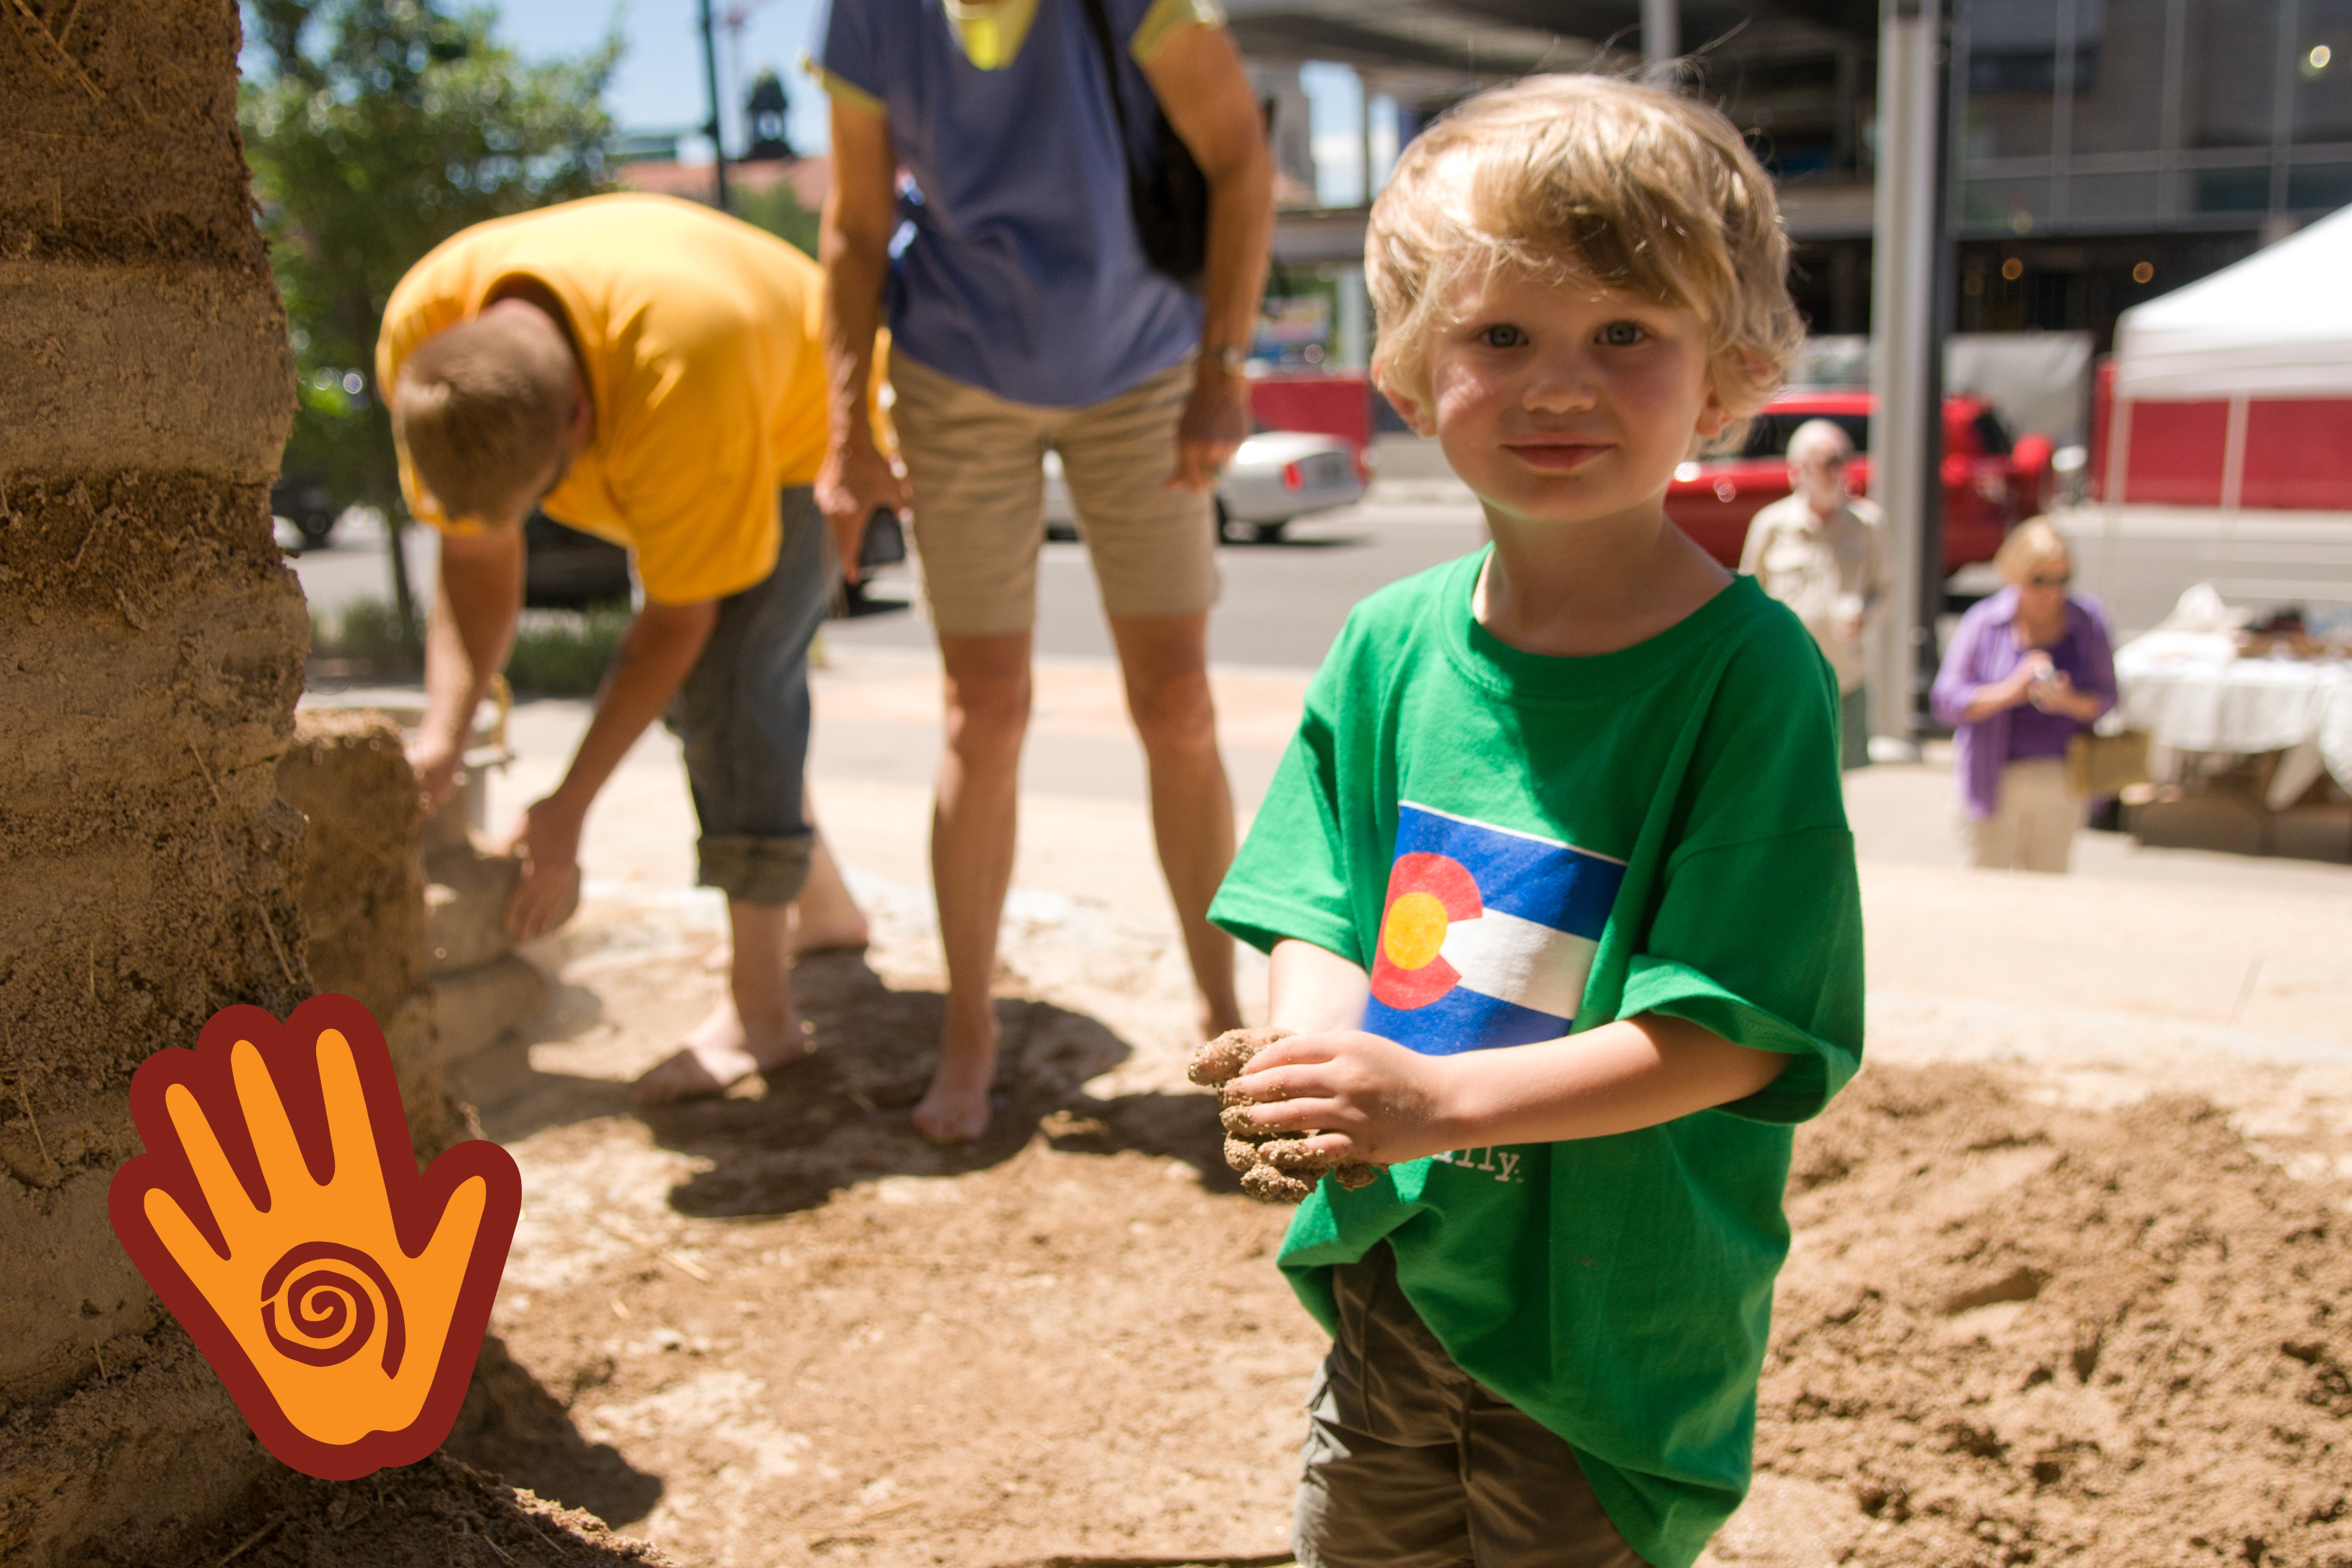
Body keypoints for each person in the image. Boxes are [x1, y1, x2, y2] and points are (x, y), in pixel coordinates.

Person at [1204, 76, 1865, 1568]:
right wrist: (1315, 1063)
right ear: (1409, 369)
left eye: (1624, 333)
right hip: (1401, 1264)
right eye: (1500, 335)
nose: (1559, 384)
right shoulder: (1386, 643)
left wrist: (1430, 1104)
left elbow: (1740, 1029)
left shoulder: (1747, 678)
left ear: (1727, 376)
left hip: (1606, 1316)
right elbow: (1314, 899)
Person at [810, 0, 1275, 1140]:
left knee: (1176, 704)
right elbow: (856, 224)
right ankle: (968, 1035)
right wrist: (845, 430)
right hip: (953, 369)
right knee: (984, 711)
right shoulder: (870, 17)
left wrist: (1223, 363)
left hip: (1144, 367)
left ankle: (1220, 1014)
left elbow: (1238, 163)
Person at [379, 192, 870, 1105]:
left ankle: (763, 1013)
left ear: (577, 421)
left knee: (731, 684)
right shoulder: (429, 337)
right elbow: (473, 555)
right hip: (683, 372)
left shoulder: (683, 372)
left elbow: (677, 630)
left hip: (796, 420)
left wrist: (567, 806)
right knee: (717, 710)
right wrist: (446, 731)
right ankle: (826, 910)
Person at [1929, 517, 2117, 874]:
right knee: (1985, 888)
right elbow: (1946, 701)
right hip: (1993, 776)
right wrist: (2010, 692)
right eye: (2039, 580)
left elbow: (2108, 697)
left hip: (2061, 777)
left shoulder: (2087, 622)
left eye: (2062, 580)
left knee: (2047, 891)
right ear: (2015, 574)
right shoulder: (1985, 622)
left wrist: (2068, 702)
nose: (2052, 592)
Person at [1739, 417, 1887, 768]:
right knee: (1783, 771)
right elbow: (1747, 600)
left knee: (1836, 780)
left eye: (1842, 461)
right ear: (1799, 470)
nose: (1837, 472)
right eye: (1827, 463)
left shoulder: (1867, 524)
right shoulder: (1771, 525)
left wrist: (1865, 618)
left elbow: (1885, 590)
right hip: (1785, 677)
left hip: (1843, 677)